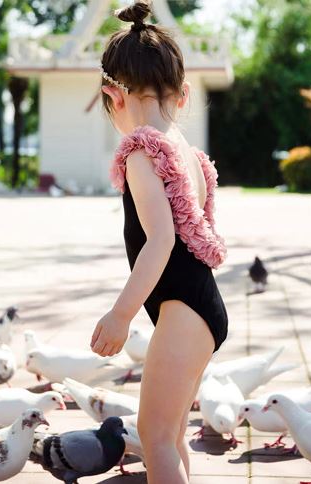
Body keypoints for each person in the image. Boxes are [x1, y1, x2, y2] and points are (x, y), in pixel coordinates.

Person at [90, 1, 229, 482]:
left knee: (153, 436)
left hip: (184, 313)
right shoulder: (186, 154)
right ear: (183, 94)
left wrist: (121, 314)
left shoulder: (141, 154)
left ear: (115, 96)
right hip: (202, 310)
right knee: (168, 436)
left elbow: (162, 240)